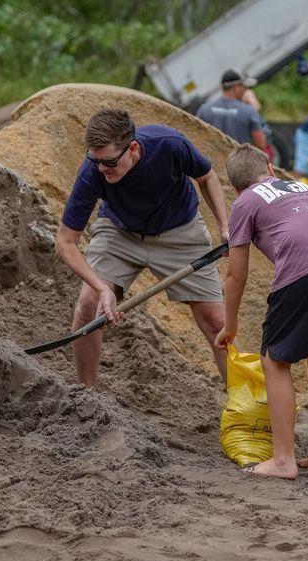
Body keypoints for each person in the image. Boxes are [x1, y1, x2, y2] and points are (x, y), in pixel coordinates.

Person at [58, 109, 231, 388]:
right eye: (97, 161)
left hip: (180, 232)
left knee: (217, 322)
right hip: (119, 232)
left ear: (133, 147)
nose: (102, 169)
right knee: (88, 305)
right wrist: (102, 289)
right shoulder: (93, 170)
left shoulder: (170, 145)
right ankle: (85, 397)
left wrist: (224, 226)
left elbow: (207, 177)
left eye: (110, 162)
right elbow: (65, 242)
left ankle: (242, 410)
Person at [215, 146, 308, 480]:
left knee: (275, 361)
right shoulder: (303, 186)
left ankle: (283, 460)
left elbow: (236, 274)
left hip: (302, 271)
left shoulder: (245, 201)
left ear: (236, 187)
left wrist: (229, 324)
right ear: (271, 169)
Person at [197, 69, 269, 153]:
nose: (246, 90)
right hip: (239, 164)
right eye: (244, 87)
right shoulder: (249, 111)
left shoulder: (204, 110)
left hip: (213, 163)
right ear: (236, 88)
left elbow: (197, 138)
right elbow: (261, 144)